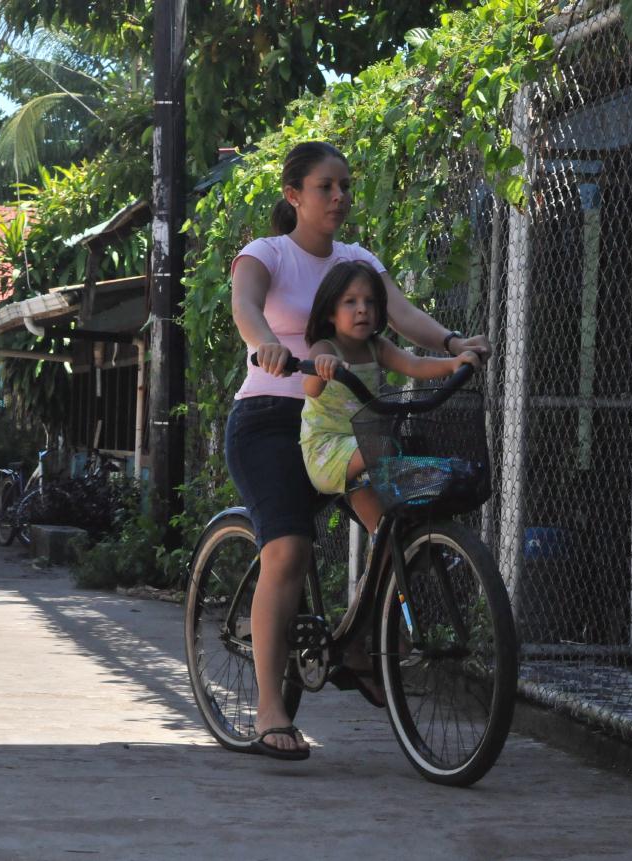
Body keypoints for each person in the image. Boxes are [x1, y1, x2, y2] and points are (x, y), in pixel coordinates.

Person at [226, 141, 489, 761]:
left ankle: (359, 647)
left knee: (401, 532)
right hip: (272, 417)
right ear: (293, 195)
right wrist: (266, 342)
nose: (339, 197)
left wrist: (453, 343)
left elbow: (404, 319)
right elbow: (244, 305)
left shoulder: (357, 263)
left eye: (345, 185)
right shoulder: (267, 256)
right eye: (325, 186)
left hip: (352, 420)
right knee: (287, 549)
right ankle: (269, 708)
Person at [299, 259, 480, 533]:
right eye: (350, 302)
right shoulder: (326, 348)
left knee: (403, 459)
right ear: (330, 313)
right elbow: (309, 389)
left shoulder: (376, 347)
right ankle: (382, 540)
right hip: (326, 449)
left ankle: (391, 549)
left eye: (370, 302)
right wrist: (321, 368)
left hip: (365, 444)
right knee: (385, 448)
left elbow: (414, 365)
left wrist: (452, 363)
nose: (362, 309)